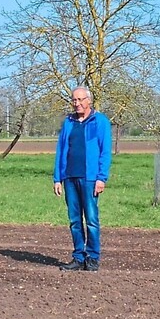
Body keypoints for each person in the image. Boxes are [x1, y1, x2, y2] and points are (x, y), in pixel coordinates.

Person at [53, 86, 112, 272]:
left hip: (90, 179)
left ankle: (93, 257)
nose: (76, 103)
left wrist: (101, 178)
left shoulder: (100, 122)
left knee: (92, 220)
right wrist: (57, 178)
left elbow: (105, 152)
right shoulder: (69, 123)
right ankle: (78, 257)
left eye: (80, 100)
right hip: (70, 177)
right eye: (74, 100)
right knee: (74, 220)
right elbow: (61, 150)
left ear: (89, 101)